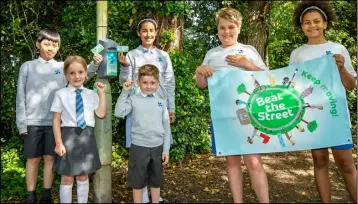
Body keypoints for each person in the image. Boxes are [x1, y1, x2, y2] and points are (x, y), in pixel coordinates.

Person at [16, 28, 102, 203]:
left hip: (57, 123)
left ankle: (46, 195)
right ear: (38, 44)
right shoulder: (28, 66)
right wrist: (22, 124)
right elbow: (20, 96)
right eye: (47, 43)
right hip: (32, 121)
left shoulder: (61, 67)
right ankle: (31, 195)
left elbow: (80, 76)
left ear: (58, 47)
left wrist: (94, 63)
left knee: (49, 159)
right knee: (32, 159)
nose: (50, 48)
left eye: (54, 45)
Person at [195, 8, 269, 203]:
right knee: (232, 161)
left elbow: (269, 79)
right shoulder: (212, 53)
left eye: (231, 27)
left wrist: (248, 65)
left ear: (239, 27)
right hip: (223, 116)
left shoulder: (248, 51)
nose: (226, 31)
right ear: (217, 30)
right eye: (222, 28)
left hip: (248, 113)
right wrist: (200, 71)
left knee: (253, 161)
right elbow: (201, 85)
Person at [290, 1, 357, 202]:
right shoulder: (297, 54)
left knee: (346, 163)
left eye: (317, 21)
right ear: (302, 27)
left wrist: (342, 68)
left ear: (325, 23)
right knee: (319, 161)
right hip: (313, 114)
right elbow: (293, 87)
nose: (313, 26)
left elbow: (351, 85)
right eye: (307, 23)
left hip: (336, 115)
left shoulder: (338, 49)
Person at [118, 18, 175, 203]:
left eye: (151, 30)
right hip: (137, 109)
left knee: (155, 156)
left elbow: (169, 83)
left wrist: (171, 107)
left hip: (159, 109)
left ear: (156, 32)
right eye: (144, 30)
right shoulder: (132, 55)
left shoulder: (164, 56)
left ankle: (155, 197)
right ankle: (141, 198)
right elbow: (123, 82)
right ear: (138, 33)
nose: (148, 34)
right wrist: (125, 66)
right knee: (140, 157)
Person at [50, 56, 106, 203]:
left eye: (80, 72)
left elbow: (101, 113)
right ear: (66, 75)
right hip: (68, 137)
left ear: (86, 73)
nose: (77, 76)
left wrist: (101, 94)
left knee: (83, 175)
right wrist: (58, 143)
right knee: (67, 176)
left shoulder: (91, 94)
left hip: (86, 137)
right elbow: (56, 120)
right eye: (72, 73)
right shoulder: (60, 94)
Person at [114, 64, 171, 203]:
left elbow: (166, 127)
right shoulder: (134, 99)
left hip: (157, 147)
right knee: (137, 181)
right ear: (139, 83)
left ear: (158, 83)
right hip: (139, 147)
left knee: (156, 181)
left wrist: (166, 150)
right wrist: (125, 92)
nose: (148, 86)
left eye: (152, 83)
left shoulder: (161, 102)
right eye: (145, 82)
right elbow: (119, 112)